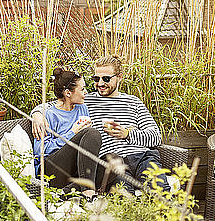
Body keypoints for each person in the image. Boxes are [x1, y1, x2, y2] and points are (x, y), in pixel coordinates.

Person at [31, 55, 169, 194]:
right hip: (111, 163)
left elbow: (155, 136)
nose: (100, 83)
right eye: (96, 79)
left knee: (161, 193)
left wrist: (126, 134)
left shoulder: (133, 102)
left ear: (119, 77)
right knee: (125, 199)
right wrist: (37, 114)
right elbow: (58, 103)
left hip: (141, 157)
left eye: (106, 79)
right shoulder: (85, 100)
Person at [34, 67, 101, 197]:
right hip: (50, 171)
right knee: (92, 133)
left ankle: (64, 193)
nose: (86, 92)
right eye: (82, 89)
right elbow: (40, 151)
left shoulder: (82, 108)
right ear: (68, 93)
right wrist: (72, 133)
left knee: (114, 162)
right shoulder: (48, 115)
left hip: (75, 170)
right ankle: (88, 193)